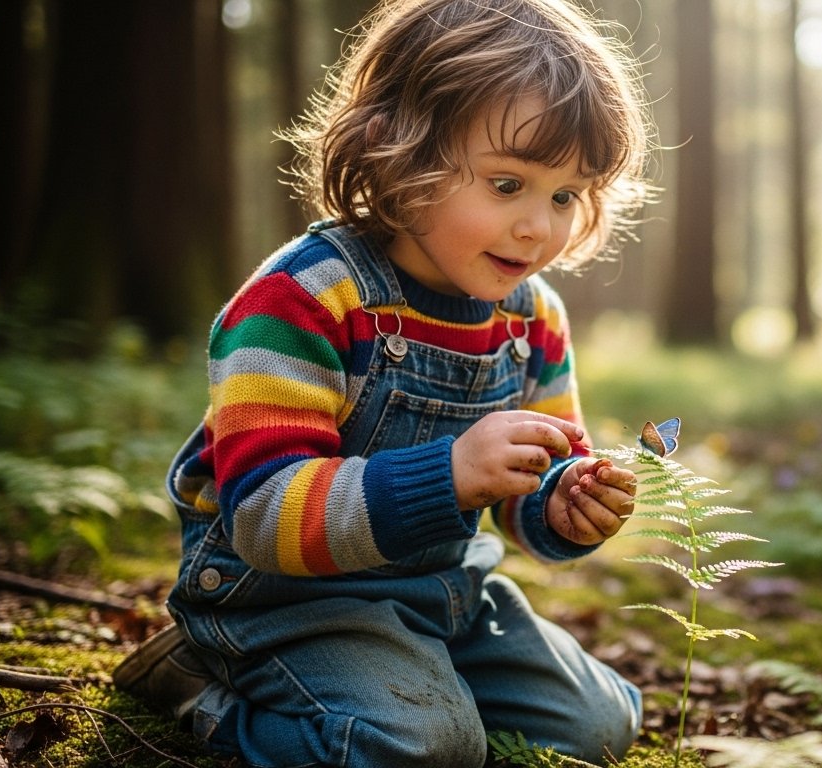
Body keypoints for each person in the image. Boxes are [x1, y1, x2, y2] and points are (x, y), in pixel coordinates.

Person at [113, 0, 653, 765]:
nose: (539, 226)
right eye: (507, 184)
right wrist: (451, 475)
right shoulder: (303, 299)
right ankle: (204, 691)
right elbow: (263, 516)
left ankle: (416, 684)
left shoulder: (534, 317)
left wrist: (565, 504)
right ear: (399, 152)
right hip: (287, 605)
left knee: (599, 724)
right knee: (422, 747)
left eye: (566, 195)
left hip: (445, 595)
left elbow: (534, 483)